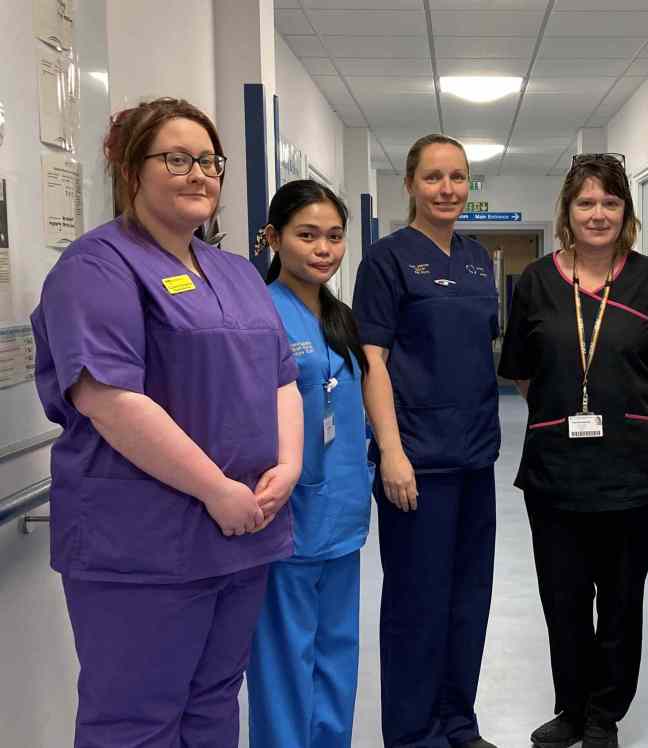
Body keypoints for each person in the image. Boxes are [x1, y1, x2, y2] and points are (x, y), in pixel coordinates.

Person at [30, 98, 303, 747]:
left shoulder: (236, 273)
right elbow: (109, 399)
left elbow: (281, 377)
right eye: (177, 159)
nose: (199, 173)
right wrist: (216, 490)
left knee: (213, 705)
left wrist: (288, 467)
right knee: (135, 721)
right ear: (132, 170)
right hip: (144, 544)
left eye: (209, 160)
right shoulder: (96, 267)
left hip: (243, 530)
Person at [498, 152, 648, 748]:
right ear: (567, 211)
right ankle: (572, 707)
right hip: (555, 471)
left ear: (626, 211)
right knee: (564, 598)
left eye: (610, 202)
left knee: (623, 600)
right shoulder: (537, 282)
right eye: (586, 202)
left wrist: (628, 411)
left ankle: (605, 714)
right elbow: (522, 372)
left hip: (631, 470)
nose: (598, 214)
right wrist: (565, 409)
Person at [353, 134, 500, 748]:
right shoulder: (386, 260)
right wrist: (391, 451)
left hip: (475, 457)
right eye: (434, 177)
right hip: (417, 462)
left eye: (458, 177)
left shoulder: (477, 259)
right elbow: (374, 361)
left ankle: (458, 723)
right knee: (418, 603)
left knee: (468, 600)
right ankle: (414, 734)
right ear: (410, 184)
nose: (447, 189)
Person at [246, 180, 371, 748]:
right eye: (307, 235)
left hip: (342, 517)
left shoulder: (340, 317)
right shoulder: (260, 314)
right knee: (285, 661)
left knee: (338, 655)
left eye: (335, 237)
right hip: (289, 519)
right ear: (274, 239)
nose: (324, 249)